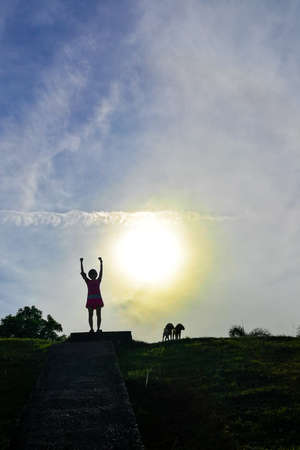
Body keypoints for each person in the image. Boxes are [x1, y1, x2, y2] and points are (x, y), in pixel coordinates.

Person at [80, 257, 104, 333]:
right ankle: (91, 329)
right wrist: (81, 262)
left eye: (94, 274)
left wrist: (101, 263)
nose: (93, 275)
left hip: (97, 299)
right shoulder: (88, 281)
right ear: (90, 275)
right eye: (91, 274)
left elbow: (101, 272)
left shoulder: (98, 280)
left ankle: (98, 329)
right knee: (90, 315)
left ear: (96, 275)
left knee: (98, 315)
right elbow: (83, 273)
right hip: (90, 299)